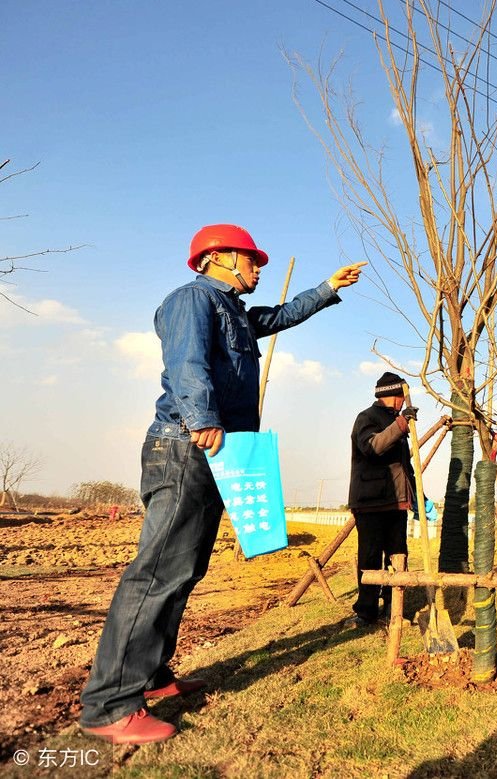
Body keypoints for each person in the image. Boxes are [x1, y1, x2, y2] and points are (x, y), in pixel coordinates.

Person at [80, 224, 366, 745]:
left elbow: (279, 316)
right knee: (157, 572)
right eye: (251, 258)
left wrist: (328, 288)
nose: (259, 267)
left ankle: (154, 676)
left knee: (185, 568)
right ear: (218, 257)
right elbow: (186, 361)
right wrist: (203, 417)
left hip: (212, 449)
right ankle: (109, 705)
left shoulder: (232, 310)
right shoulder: (193, 299)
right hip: (188, 444)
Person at [348, 372, 416, 626]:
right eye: (400, 397)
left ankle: (394, 609)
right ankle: (366, 611)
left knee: (398, 556)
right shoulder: (366, 418)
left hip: (396, 501)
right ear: (392, 395)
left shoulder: (396, 420)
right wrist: (400, 425)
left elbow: (403, 465)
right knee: (370, 557)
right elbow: (373, 447)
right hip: (371, 501)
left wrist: (416, 497)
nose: (401, 402)